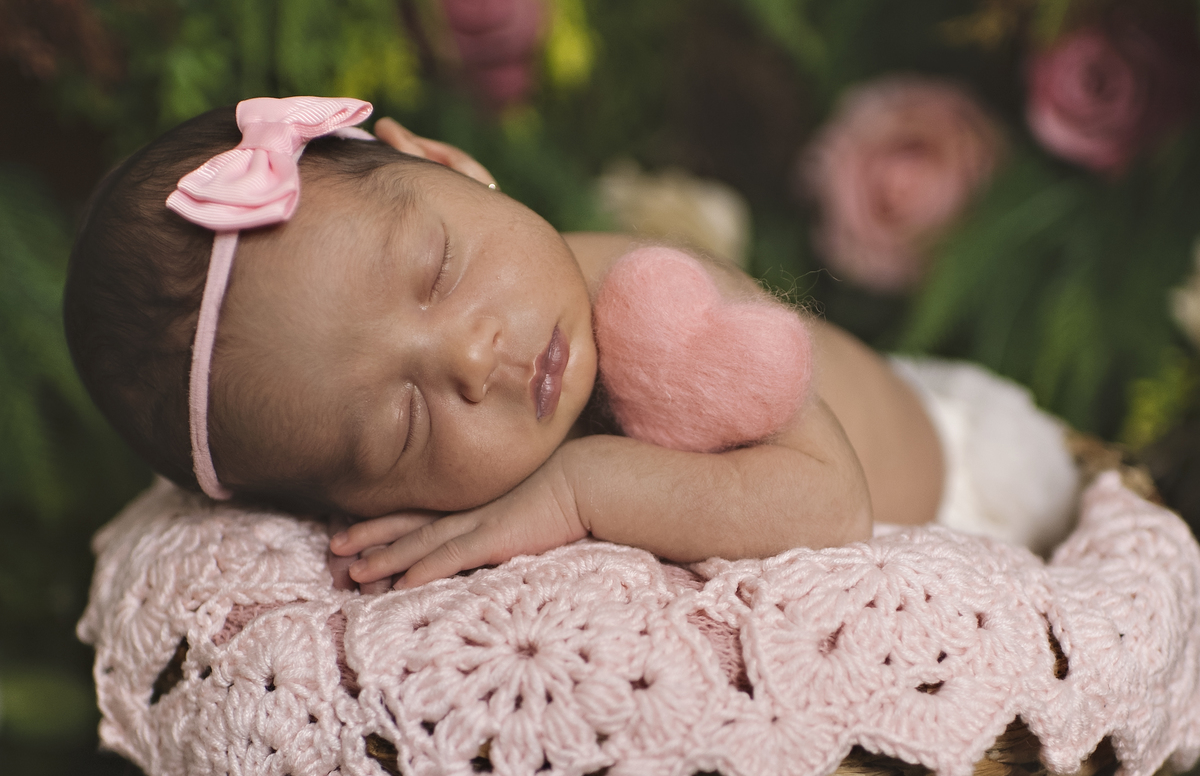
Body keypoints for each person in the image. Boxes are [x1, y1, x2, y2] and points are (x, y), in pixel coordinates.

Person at [63, 97, 1075, 595]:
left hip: (965, 481)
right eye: (398, 423)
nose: (467, 354)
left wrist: (576, 492)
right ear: (351, 505)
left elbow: (831, 507)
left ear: (450, 162)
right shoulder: (451, 488)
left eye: (437, 269)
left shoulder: (641, 291)